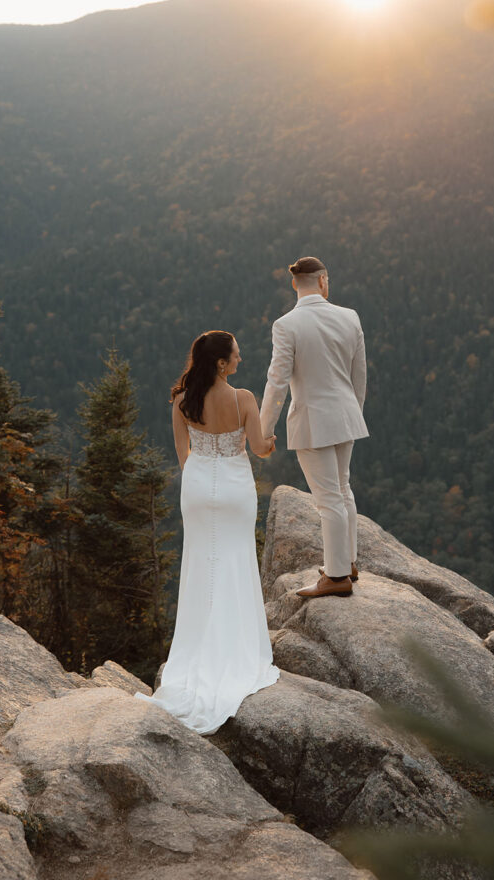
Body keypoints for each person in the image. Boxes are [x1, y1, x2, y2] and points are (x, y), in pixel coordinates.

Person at [134, 330, 279, 734]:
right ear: (220, 363)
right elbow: (259, 449)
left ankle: (198, 648)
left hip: (197, 488)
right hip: (234, 487)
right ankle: (234, 647)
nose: (240, 358)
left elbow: (184, 456)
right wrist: (270, 441)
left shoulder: (182, 400)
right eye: (235, 354)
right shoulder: (243, 399)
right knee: (235, 560)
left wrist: (203, 479)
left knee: (201, 563)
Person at [260, 256, 369, 598]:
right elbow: (359, 375)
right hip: (346, 416)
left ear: (295, 283)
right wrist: (353, 412)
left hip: (311, 420)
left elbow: (277, 382)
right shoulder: (349, 317)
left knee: (328, 501)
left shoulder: (286, 325)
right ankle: (347, 563)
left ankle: (336, 577)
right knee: (343, 489)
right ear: (323, 280)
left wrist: (264, 431)